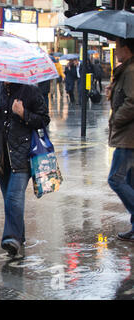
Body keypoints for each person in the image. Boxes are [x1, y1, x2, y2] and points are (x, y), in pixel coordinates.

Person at [0, 81, 50, 257]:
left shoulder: (31, 90)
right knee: (9, 200)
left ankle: (11, 238)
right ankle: (20, 235)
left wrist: (24, 113)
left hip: (23, 154)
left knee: (13, 197)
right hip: (0, 155)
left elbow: (44, 119)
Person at [106, 37, 134, 242]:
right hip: (128, 134)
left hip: (129, 135)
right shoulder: (126, 69)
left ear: (127, 48)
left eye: (118, 47)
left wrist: (116, 118)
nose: (115, 51)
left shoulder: (131, 71)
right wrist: (112, 93)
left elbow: (132, 101)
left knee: (116, 179)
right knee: (130, 181)